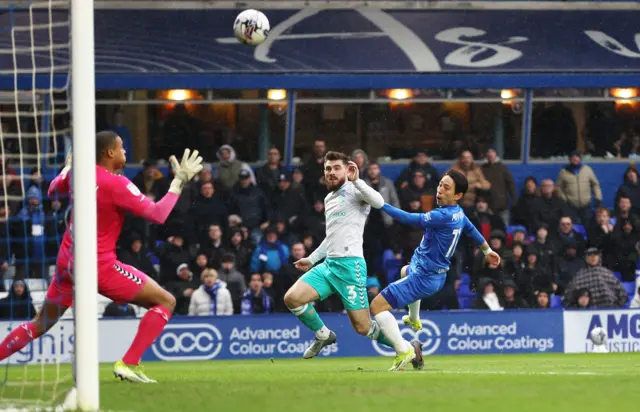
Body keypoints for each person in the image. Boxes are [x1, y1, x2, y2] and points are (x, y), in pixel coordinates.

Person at [0, 131, 203, 384]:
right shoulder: (117, 183)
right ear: (109, 153)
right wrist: (178, 182)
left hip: (67, 263)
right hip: (98, 266)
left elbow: (52, 191)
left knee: (38, 325)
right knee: (166, 301)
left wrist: (67, 168)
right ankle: (128, 363)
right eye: (122, 148)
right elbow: (158, 215)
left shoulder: (79, 175)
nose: (125, 153)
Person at [368, 170, 501, 371]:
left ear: (458, 195)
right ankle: (414, 319)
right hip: (432, 275)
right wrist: (487, 250)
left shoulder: (443, 215)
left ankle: (403, 350)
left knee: (377, 306)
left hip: (424, 277)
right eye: (440, 185)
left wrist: (381, 205)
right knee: (405, 270)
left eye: (446, 188)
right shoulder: (458, 213)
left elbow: (408, 219)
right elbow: (472, 229)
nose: (439, 190)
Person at [283, 151, 395, 359]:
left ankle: (404, 345)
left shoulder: (356, 190)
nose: (331, 173)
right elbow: (331, 237)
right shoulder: (329, 198)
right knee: (292, 298)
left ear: (347, 170)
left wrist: (359, 181)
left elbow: (379, 202)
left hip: (351, 267)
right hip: (329, 265)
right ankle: (323, 334)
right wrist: (312, 259)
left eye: (336, 168)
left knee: (363, 327)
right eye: (328, 169)